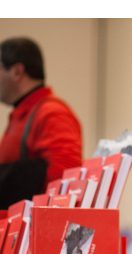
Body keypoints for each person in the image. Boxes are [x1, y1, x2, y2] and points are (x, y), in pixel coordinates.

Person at [0, 37, 82, 208]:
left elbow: (64, 187)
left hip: (31, 231)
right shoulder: (23, 114)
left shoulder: (52, 114)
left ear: (17, 72)